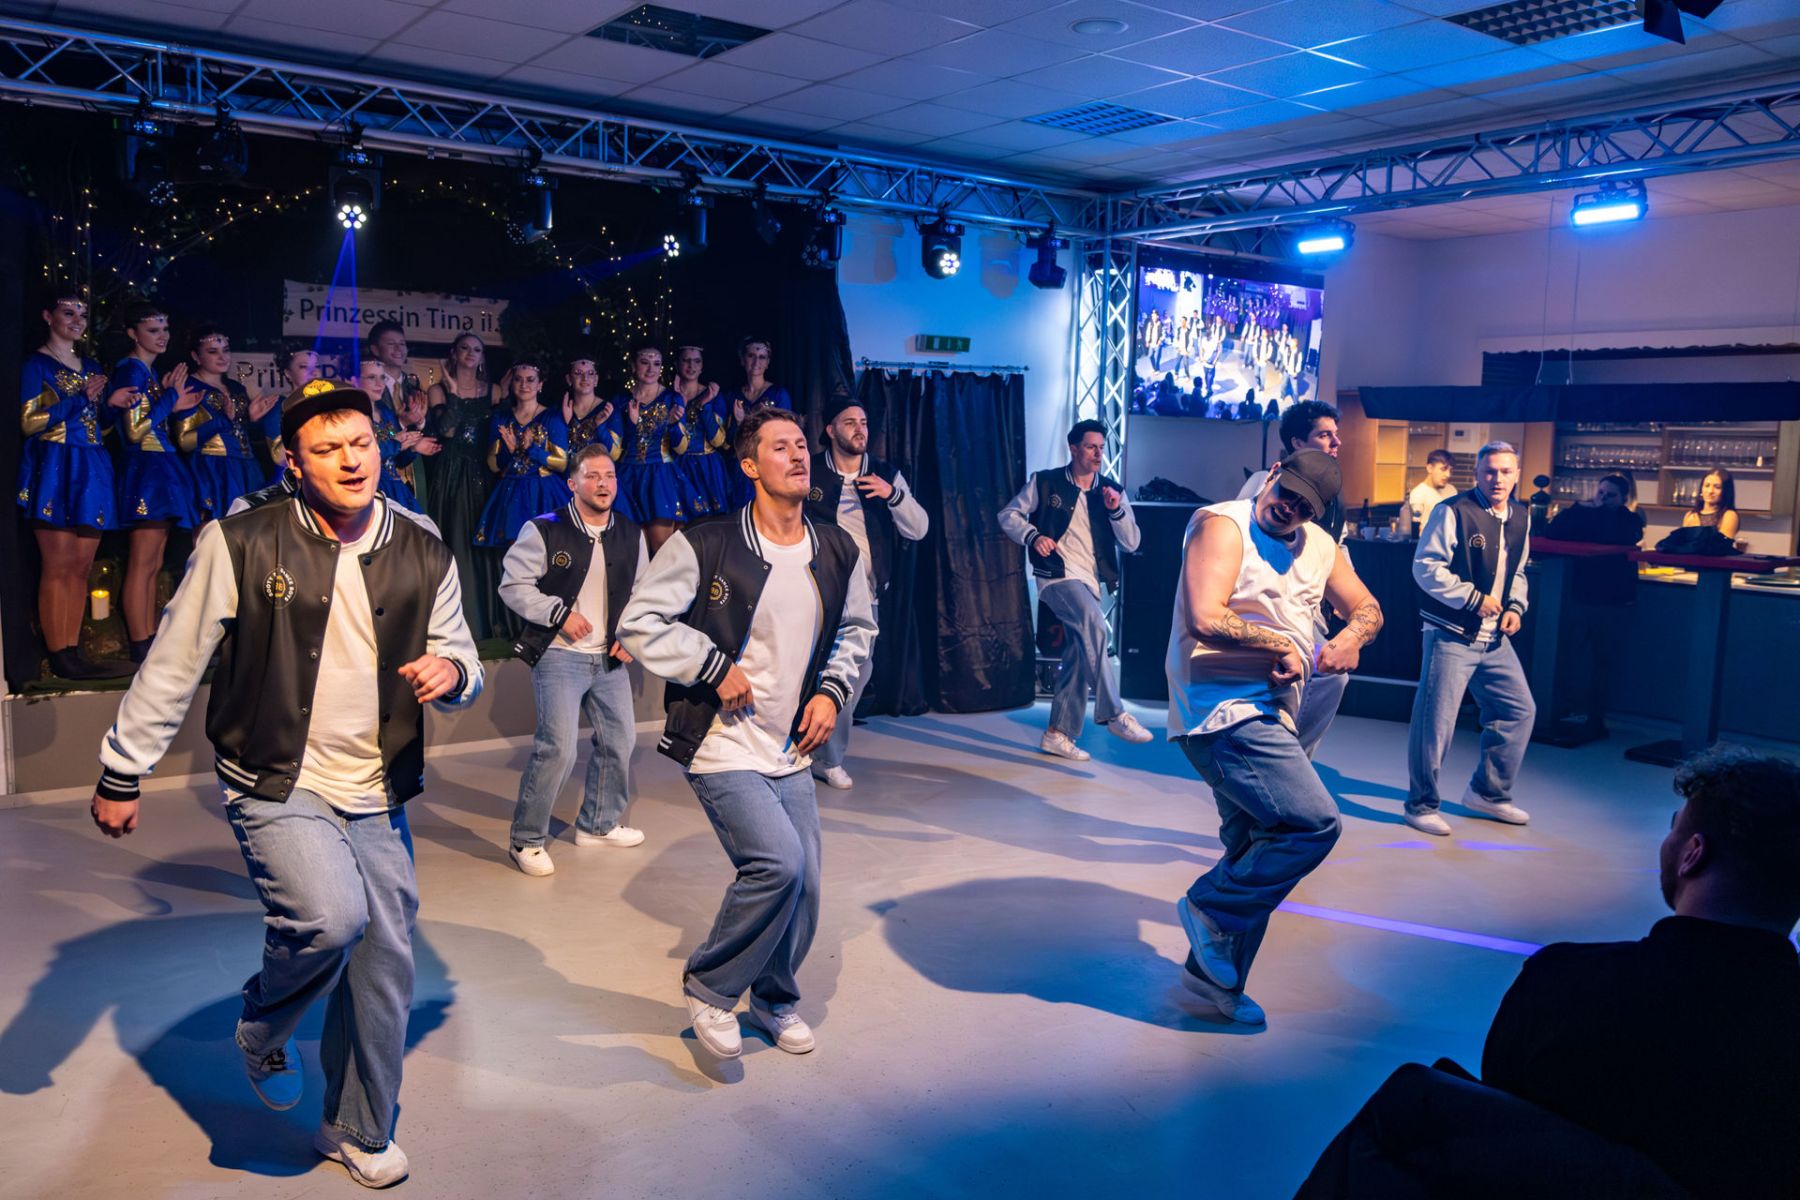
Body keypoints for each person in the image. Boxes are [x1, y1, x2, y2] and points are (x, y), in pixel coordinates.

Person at [90, 383, 484, 1189]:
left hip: (377, 783)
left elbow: (462, 655)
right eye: (328, 449)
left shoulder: (422, 542)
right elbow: (174, 660)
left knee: (386, 962)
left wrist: (454, 673)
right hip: (274, 775)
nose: (352, 460)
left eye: (362, 443)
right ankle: (263, 1027)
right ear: (293, 463)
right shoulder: (240, 541)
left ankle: (356, 1128)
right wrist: (123, 768)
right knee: (330, 918)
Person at [1297, 747, 1800, 1200]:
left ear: (1693, 854)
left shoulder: (1567, 982)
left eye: (1675, 827)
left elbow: (1503, 1120)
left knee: (1415, 1107)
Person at [618, 407, 876, 1062]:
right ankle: (710, 985)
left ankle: (773, 996)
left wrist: (831, 693)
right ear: (749, 465)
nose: (798, 454)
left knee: (806, 885)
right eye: (780, 446)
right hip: (721, 741)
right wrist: (711, 667)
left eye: (801, 444)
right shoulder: (706, 543)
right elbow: (640, 622)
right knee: (777, 863)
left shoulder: (837, 549)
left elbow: (857, 631)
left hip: (790, 748)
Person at [1168, 450, 1382, 1025]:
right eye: (1286, 493)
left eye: (1304, 507)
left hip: (1276, 712)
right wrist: (1280, 644)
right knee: (1314, 824)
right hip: (1222, 710)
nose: (1288, 509)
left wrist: (1351, 638)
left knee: (1256, 846)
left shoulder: (1320, 545)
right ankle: (1209, 908)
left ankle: (1216, 980)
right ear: (1275, 471)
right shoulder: (1223, 524)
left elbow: (1367, 607)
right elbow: (1204, 616)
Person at [499, 445, 645, 876]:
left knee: (620, 742)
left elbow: (643, 595)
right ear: (573, 483)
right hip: (559, 655)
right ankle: (526, 840)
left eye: (610, 476)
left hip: (609, 659)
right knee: (558, 748)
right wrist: (559, 614)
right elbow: (513, 585)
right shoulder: (544, 529)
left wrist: (631, 638)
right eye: (593, 476)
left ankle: (598, 825)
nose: (603, 483)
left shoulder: (631, 533)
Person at [999, 419, 1152, 758]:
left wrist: (1115, 510)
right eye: (1090, 447)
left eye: (1101, 448)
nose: (1098, 454)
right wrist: (1033, 536)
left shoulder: (1111, 491)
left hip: (1090, 582)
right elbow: (1008, 515)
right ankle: (1114, 713)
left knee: (1080, 653)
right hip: (1056, 577)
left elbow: (1132, 543)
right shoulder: (1046, 481)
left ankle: (1057, 733)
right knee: (1094, 624)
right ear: (1073, 448)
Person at [1405, 440, 1535, 837]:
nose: (1497, 478)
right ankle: (1421, 805)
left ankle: (1488, 794)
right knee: (1435, 725)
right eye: (1489, 471)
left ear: (1517, 475)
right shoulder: (1453, 511)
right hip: (1450, 633)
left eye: (1505, 471)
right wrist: (1473, 598)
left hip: (1494, 638)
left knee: (1517, 710)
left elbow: (1518, 571)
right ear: (1477, 473)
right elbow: (1426, 567)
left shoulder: (1521, 516)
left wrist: (1515, 607)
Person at [801, 398, 930, 789]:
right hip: (815, 588)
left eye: (864, 421)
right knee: (803, 668)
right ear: (830, 430)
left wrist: (893, 495)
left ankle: (824, 755)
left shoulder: (885, 474)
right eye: (849, 422)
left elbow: (919, 528)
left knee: (857, 670)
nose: (860, 429)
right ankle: (805, 750)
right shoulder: (809, 469)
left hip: (866, 595)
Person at [18, 288, 135, 680]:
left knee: (82, 566)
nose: (77, 321)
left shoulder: (91, 366)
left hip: (92, 464)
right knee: (58, 564)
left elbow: (96, 424)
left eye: (82, 315)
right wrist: (79, 398)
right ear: (47, 316)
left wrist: (112, 407)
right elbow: (29, 422)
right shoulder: (36, 364)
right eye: (68, 313)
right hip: (56, 462)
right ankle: (58, 652)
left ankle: (74, 649)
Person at [1237, 399, 1347, 759]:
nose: (1336, 442)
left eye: (1336, 434)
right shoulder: (1263, 482)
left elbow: (1337, 549)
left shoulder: (1334, 497)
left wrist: (1343, 595)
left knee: (1326, 676)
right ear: (1298, 443)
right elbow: (1239, 539)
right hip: (1266, 605)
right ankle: (1285, 762)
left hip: (1308, 609)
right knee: (1324, 674)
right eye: (1325, 435)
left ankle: (1289, 762)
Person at [107, 302, 201, 664]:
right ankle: (139, 640)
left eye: (164, 329)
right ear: (133, 334)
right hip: (145, 466)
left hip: (160, 464)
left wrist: (168, 400)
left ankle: (147, 636)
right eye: (152, 330)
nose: (162, 337)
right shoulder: (130, 369)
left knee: (154, 560)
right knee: (143, 559)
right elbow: (134, 431)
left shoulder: (147, 371)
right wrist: (170, 398)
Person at [1543, 472, 1644, 738]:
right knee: (1575, 655)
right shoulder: (1584, 515)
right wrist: (1579, 507)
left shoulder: (1630, 520)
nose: (1603, 499)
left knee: (1603, 660)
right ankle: (1568, 708)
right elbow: (1553, 532)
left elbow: (1613, 535)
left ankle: (1595, 716)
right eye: (1600, 493)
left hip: (1613, 597)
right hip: (1583, 593)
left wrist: (1591, 512)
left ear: (1623, 498)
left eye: (1610, 495)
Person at [422, 331, 503, 639]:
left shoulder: (494, 390)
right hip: (451, 474)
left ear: (482, 356)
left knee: (483, 544)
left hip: (483, 473)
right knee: (454, 541)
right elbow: (447, 430)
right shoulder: (438, 390)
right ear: (454, 353)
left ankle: (489, 620)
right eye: (465, 348)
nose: (471, 353)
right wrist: (454, 393)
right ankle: (458, 621)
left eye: (476, 349)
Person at [175, 326, 276, 522]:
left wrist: (253, 420)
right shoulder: (190, 387)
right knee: (212, 530)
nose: (222, 357)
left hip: (246, 468)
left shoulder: (235, 388)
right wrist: (221, 421)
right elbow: (185, 442)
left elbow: (240, 433)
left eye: (226, 350)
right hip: (213, 469)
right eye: (213, 352)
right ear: (196, 356)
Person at [474, 359, 572, 550]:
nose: (524, 385)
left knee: (547, 549)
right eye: (518, 379)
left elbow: (561, 463)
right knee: (515, 551)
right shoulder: (501, 417)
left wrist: (531, 450)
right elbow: (493, 464)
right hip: (512, 492)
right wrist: (511, 452)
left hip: (543, 491)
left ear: (540, 384)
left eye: (530, 380)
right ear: (512, 383)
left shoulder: (552, 417)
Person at [610, 344, 691, 555]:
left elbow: (681, 447)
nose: (651, 369)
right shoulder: (621, 400)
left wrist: (672, 425)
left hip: (659, 476)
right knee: (634, 550)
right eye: (645, 362)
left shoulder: (672, 398)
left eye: (656, 364)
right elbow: (615, 451)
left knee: (662, 548)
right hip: (628, 476)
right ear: (633, 365)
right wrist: (631, 424)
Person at [721, 337, 791, 510]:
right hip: (738, 468)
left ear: (767, 363)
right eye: (751, 356)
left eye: (762, 357)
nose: (756, 362)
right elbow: (727, 441)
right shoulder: (732, 396)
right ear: (742, 360)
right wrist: (739, 422)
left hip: (767, 466)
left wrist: (748, 420)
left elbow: (784, 436)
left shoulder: (778, 394)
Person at [353, 359, 428, 513]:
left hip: (396, 489)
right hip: (372, 489)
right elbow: (361, 457)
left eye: (382, 378)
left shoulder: (386, 412)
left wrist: (412, 448)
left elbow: (398, 461)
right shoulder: (352, 416)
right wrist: (396, 444)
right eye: (371, 377)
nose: (379, 384)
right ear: (354, 380)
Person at [671, 343, 730, 519]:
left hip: (707, 467)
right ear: (677, 364)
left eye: (696, 361)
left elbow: (718, 441)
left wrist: (704, 405)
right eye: (686, 361)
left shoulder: (714, 396)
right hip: (677, 465)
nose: (691, 366)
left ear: (702, 365)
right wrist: (678, 401)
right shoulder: (668, 396)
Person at [1683, 468, 1739, 539]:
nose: (1710, 491)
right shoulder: (1690, 515)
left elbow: (1722, 545)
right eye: (1707, 486)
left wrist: (1697, 528)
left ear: (1725, 491)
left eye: (1717, 487)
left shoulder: (1729, 515)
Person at [1408, 448, 1458, 527]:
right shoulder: (1418, 494)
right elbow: (1417, 528)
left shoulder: (1452, 490)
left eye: (1450, 470)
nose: (1448, 474)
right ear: (1430, 468)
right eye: (1443, 469)